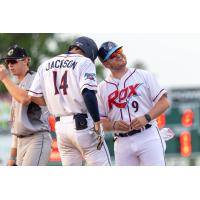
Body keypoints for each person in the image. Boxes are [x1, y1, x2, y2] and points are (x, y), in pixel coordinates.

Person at [0, 37, 111, 166]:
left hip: (61, 129)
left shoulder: (45, 65)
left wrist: (55, 101)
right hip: (82, 124)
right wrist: (97, 121)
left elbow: (33, 97)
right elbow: (88, 92)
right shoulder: (84, 62)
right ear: (90, 52)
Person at [97, 41, 170, 166]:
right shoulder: (101, 88)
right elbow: (100, 123)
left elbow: (164, 102)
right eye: (113, 55)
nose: (119, 55)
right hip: (122, 142)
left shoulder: (143, 75)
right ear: (105, 63)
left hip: (148, 135)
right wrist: (113, 125)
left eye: (119, 51)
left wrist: (147, 117)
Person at [0, 45, 52, 166]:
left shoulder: (34, 78)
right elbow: (16, 126)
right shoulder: (16, 85)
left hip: (37, 138)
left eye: (13, 61)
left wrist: (4, 79)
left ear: (26, 60)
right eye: (8, 61)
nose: (10, 65)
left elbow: (25, 99)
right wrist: (12, 156)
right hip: (21, 141)